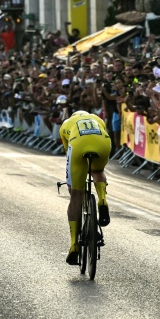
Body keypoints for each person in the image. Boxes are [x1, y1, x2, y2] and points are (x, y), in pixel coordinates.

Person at [59, 110, 112, 265]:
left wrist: (73, 186)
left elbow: (68, 154)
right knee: (98, 170)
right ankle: (102, 200)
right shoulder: (97, 118)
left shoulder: (65, 125)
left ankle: (74, 245)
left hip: (78, 144)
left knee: (75, 195)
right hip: (102, 142)